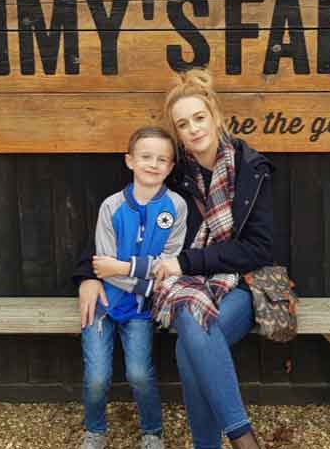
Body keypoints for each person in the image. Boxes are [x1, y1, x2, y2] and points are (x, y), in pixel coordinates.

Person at [77, 68, 274, 449]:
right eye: (183, 124)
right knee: (191, 328)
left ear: (215, 116)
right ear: (178, 133)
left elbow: (258, 248)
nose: (194, 129)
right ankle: (237, 440)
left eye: (199, 118)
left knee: (193, 336)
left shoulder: (250, 169)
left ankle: (236, 439)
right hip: (185, 286)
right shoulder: (174, 172)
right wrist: (88, 274)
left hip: (239, 282)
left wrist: (186, 264)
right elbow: (118, 220)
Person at [78, 126, 186, 449]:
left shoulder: (176, 207)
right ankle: (94, 431)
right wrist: (144, 277)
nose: (153, 164)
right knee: (97, 378)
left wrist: (131, 273)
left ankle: (152, 433)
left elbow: (170, 265)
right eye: (146, 157)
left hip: (141, 309)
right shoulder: (111, 207)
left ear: (170, 167)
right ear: (130, 161)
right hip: (102, 306)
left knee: (139, 374)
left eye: (162, 159)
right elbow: (103, 268)